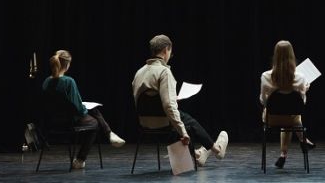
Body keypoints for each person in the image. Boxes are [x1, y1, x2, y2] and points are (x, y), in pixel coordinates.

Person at [131, 34, 229, 167]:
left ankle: (196, 156)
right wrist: (183, 132)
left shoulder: (139, 72)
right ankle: (217, 150)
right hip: (164, 121)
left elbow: (143, 99)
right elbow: (169, 106)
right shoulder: (164, 72)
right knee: (188, 121)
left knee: (182, 119)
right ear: (166, 50)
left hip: (144, 123)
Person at [41, 50, 126, 170]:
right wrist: (86, 108)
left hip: (52, 121)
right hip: (69, 121)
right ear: (67, 65)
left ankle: (110, 134)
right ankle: (81, 159)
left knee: (93, 111)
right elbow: (79, 109)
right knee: (95, 122)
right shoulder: (68, 81)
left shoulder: (46, 82)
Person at [259, 40, 315, 169]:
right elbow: (302, 104)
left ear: (275, 55)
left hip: (271, 119)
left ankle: (283, 154)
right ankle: (303, 141)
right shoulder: (301, 77)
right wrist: (304, 90)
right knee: (292, 116)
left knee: (287, 114)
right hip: (293, 119)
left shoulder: (265, 76)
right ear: (292, 55)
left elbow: (263, 101)